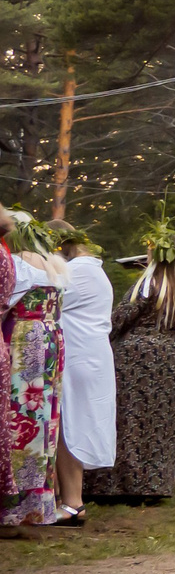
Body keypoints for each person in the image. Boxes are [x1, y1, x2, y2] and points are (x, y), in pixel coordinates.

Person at [87, 233, 175, 507]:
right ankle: (155, 483)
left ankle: (122, 485)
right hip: (173, 356)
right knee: (163, 421)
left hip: (138, 358)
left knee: (129, 418)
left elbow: (122, 317)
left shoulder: (148, 284)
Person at [0, 216, 69, 524]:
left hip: (26, 339)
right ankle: (40, 500)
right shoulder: (51, 263)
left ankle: (16, 502)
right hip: (52, 337)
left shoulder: (18, 264)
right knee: (46, 416)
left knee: (21, 411)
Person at [50, 225, 114, 520]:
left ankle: (73, 502)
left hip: (80, 356)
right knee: (68, 424)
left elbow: (49, 303)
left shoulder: (78, 271)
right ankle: (68, 499)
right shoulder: (92, 270)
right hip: (88, 354)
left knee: (69, 426)